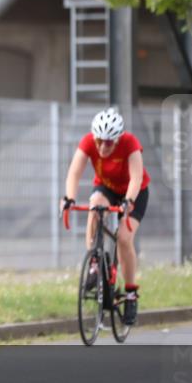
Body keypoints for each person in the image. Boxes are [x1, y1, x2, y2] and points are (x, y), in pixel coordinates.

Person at [60, 107, 150, 325]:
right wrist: (69, 198)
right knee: (95, 206)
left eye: (108, 142)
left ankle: (130, 294)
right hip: (106, 188)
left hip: (134, 191)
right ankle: (94, 262)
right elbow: (74, 172)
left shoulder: (130, 143)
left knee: (124, 239)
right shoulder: (88, 142)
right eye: (99, 140)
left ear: (117, 140)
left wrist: (128, 201)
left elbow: (136, 178)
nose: (102, 146)